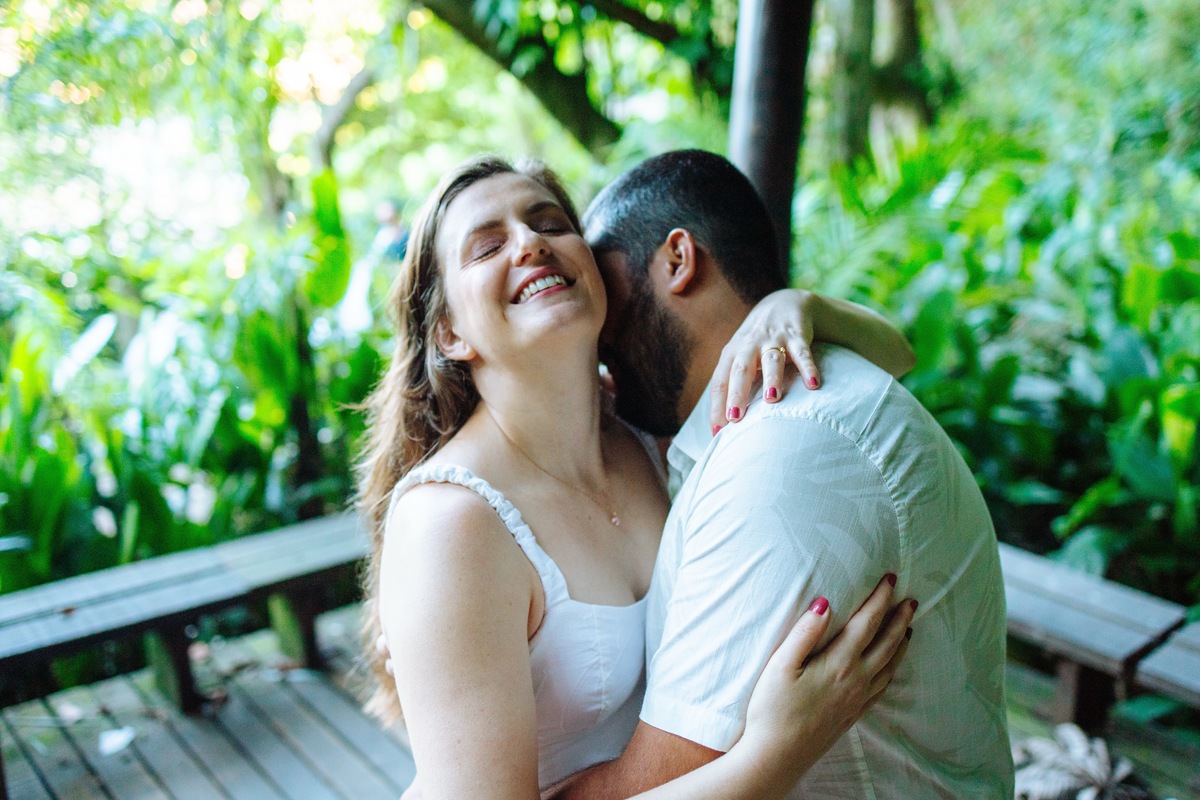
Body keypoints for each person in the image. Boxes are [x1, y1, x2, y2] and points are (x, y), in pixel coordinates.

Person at [355, 156, 918, 799]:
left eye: (550, 223)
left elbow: (896, 358)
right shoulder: (451, 524)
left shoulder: (647, 435)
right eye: (488, 245)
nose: (531, 242)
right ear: (451, 332)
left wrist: (794, 308)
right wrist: (774, 752)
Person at [554, 149, 1014, 799]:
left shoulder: (782, 457)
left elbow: (656, 782)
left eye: (606, 284)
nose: (593, 331)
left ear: (678, 262)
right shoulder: (779, 413)